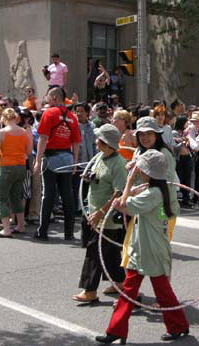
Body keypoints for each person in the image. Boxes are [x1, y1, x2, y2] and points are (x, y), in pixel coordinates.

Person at [96, 150, 190, 344]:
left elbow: (123, 206)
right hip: (147, 246)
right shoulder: (164, 191)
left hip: (150, 249)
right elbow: (160, 212)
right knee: (130, 291)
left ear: (148, 173)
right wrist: (133, 193)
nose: (139, 172)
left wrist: (129, 183)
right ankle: (116, 330)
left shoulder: (153, 194)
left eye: (142, 169)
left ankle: (178, 326)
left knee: (162, 293)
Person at [73, 124, 127, 305]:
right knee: (109, 252)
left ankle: (89, 290)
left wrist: (101, 212)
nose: (96, 142)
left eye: (99, 140)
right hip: (92, 211)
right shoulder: (100, 157)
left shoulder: (119, 164)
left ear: (106, 143)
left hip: (106, 217)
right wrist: (89, 178)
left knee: (95, 251)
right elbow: (98, 177)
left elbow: (119, 192)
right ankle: (120, 282)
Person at [33, 87, 81, 241]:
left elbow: (43, 138)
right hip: (67, 157)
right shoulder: (72, 117)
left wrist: (37, 159)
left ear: (54, 97)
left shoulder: (49, 113)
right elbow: (76, 142)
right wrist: (74, 163)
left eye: (47, 95)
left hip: (51, 157)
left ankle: (43, 231)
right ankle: (69, 233)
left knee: (48, 195)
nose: (46, 97)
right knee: (67, 195)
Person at [0, 108, 33, 237]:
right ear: (16, 118)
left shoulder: (1, 132)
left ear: (4, 118)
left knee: (0, 197)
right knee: (16, 197)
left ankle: (6, 229)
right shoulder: (25, 132)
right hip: (21, 166)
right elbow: (29, 151)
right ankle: (20, 225)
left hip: (6, 167)